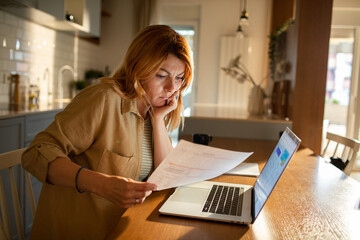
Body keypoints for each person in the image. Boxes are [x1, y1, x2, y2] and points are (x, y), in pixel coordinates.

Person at [22, 25, 193, 239]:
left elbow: (166, 176)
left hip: (123, 229)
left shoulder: (152, 110)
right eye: (161, 75)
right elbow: (36, 153)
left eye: (179, 78)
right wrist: (103, 185)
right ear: (138, 69)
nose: (172, 88)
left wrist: (159, 121)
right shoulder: (104, 99)